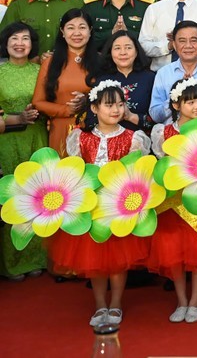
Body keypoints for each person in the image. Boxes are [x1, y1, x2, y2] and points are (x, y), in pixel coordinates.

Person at [52, 81, 151, 326]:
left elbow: (137, 173)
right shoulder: (81, 138)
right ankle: (100, 305)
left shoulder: (134, 138)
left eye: (120, 104)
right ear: (94, 108)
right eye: (109, 105)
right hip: (92, 207)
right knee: (95, 259)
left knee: (118, 258)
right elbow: (74, 172)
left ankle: (116, 304)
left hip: (120, 207)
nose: (116, 110)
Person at [149, 79, 197, 324]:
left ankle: (195, 300)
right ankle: (181, 300)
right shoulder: (164, 132)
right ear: (177, 104)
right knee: (173, 252)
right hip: (171, 201)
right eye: (190, 102)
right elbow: (161, 166)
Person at [0, 23, 48, 280]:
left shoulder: (41, 70)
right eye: (14, 38)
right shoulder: (0, 72)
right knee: (11, 198)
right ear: (5, 43)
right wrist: (18, 117)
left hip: (38, 138)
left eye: (25, 39)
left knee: (39, 197)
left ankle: (37, 257)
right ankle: (12, 261)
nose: (20, 43)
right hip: (7, 141)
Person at [32, 9, 100, 156]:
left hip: (96, 128)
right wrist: (66, 110)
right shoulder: (50, 62)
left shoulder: (101, 61)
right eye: (70, 28)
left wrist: (87, 102)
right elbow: (38, 102)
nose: (76, 33)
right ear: (62, 32)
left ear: (90, 31)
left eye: (82, 27)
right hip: (61, 128)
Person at [149, 20, 197, 123]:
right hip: (173, 135)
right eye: (182, 41)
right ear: (174, 44)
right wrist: (177, 95)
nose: (188, 45)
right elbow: (155, 116)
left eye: (193, 40)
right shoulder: (163, 73)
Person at [92, 31, 155, 132]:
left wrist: (131, 116)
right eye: (117, 48)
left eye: (128, 48)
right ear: (110, 52)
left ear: (136, 51)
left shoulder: (150, 78)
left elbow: (158, 121)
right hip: (109, 141)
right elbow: (91, 119)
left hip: (141, 142)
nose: (123, 52)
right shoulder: (102, 81)